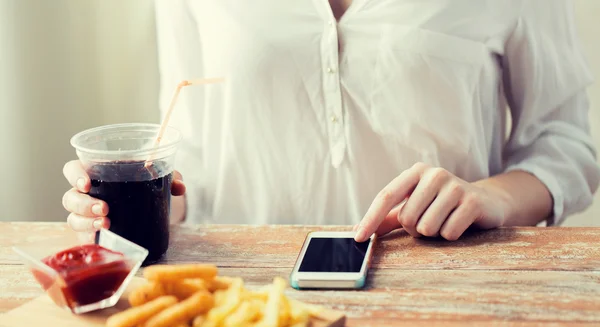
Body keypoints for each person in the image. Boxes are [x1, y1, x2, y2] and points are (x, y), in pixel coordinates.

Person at [62, 0, 600, 244]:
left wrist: (493, 197)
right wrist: (126, 211)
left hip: (443, 288)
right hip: (247, 300)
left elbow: (567, 144)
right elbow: (197, 152)